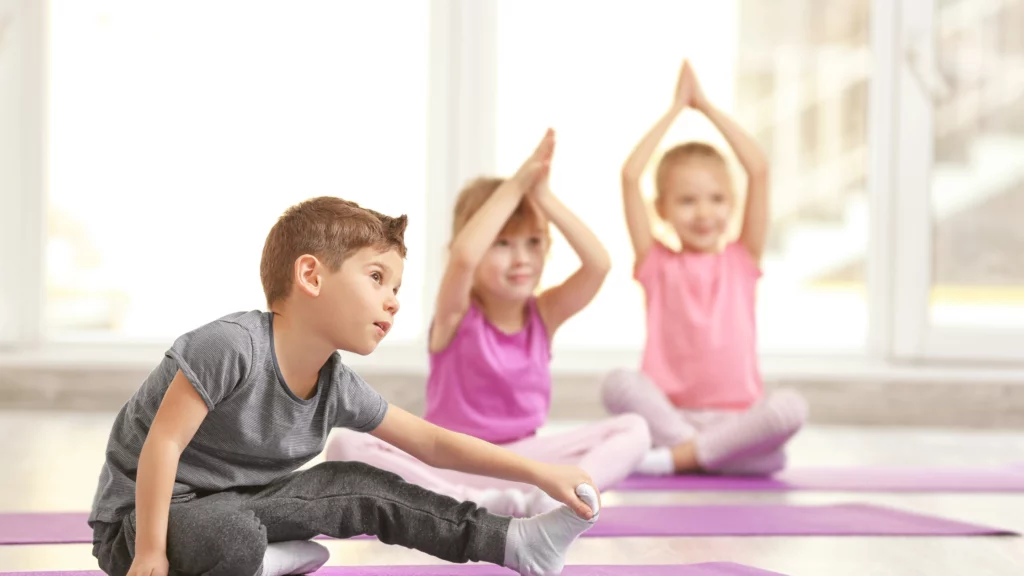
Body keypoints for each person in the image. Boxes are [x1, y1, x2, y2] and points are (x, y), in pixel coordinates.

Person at [88, 191, 601, 576]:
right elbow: (164, 442)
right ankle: (262, 560)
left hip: (250, 507)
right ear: (310, 277)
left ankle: (515, 543)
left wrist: (539, 473)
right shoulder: (230, 346)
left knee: (360, 483)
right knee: (229, 533)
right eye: (376, 278)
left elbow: (432, 442)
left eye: (396, 287)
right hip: (142, 526)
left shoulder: (337, 385)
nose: (393, 300)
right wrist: (151, 552)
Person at [327, 129, 650, 516]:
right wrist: (517, 183)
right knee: (346, 444)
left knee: (635, 429)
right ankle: (471, 502)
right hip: (449, 460)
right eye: (501, 243)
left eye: (533, 242)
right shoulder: (455, 314)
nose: (522, 259)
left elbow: (598, 264)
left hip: (521, 464)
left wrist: (543, 196)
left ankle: (558, 497)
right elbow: (464, 256)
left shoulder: (543, 315)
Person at [601, 59, 808, 477]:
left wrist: (707, 108)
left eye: (716, 198)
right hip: (670, 417)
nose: (704, 213)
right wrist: (676, 110)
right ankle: (701, 454)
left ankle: (680, 459)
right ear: (662, 209)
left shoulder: (742, 258)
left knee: (791, 409)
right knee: (618, 383)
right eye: (687, 200)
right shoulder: (656, 263)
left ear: (732, 203)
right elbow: (629, 176)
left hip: (735, 420)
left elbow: (759, 169)